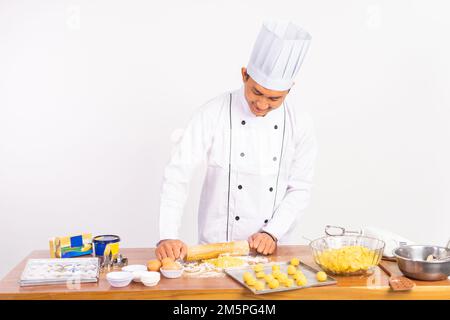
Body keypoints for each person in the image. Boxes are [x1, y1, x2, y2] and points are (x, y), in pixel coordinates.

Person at [156, 21, 317, 260]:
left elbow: (300, 188)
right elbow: (178, 174)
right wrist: (167, 234)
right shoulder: (212, 113)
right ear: (244, 75)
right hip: (215, 251)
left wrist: (272, 233)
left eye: (274, 99)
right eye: (257, 92)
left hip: (274, 251)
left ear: (290, 90)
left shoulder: (300, 122)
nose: (262, 105)